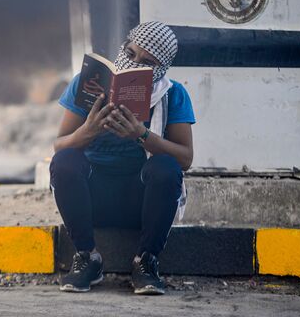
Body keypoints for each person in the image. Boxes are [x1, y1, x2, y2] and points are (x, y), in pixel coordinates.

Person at [49, 21, 195, 295]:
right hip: (93, 199)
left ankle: (146, 262)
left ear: (161, 69)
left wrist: (142, 135)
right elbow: (60, 145)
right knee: (65, 161)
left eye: (147, 62)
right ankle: (87, 257)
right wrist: (88, 131)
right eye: (130, 53)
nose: (133, 63)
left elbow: (185, 158)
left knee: (166, 167)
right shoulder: (86, 83)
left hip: (141, 202)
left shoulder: (173, 94)